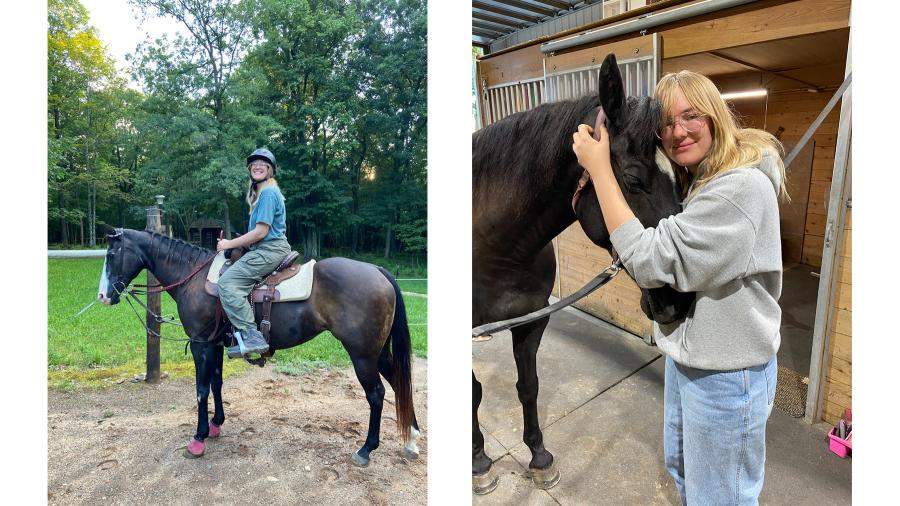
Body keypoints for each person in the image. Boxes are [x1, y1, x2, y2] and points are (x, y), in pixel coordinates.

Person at [572, 71, 787, 505]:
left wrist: (599, 172)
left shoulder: (739, 188)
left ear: (714, 116)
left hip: (727, 376)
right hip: (689, 359)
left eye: (690, 116)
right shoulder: (700, 179)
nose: (677, 132)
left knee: (721, 497)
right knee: (685, 474)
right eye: (666, 124)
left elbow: (652, 259)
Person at [216, 148, 291, 359]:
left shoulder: (267, 193)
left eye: (263, 164)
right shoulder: (264, 193)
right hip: (267, 247)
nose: (257, 166)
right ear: (250, 169)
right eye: (254, 164)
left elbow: (260, 232)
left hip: (270, 249)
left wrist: (229, 242)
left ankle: (252, 336)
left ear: (270, 169)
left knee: (228, 283)